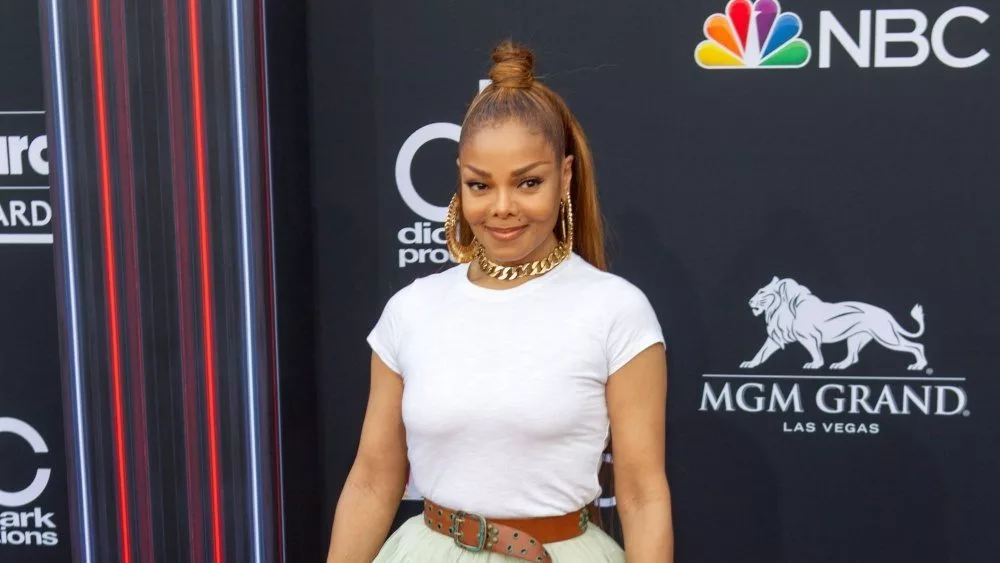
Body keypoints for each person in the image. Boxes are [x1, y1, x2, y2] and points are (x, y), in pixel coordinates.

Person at [326, 39, 673, 563]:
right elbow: (373, 481)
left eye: (528, 182)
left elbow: (643, 497)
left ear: (566, 178)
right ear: (460, 182)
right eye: (480, 185)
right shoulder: (412, 310)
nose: (502, 207)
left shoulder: (616, 311)